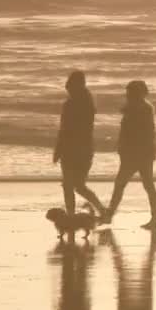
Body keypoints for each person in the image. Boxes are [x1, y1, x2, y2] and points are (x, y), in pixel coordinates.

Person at [105, 79, 156, 230]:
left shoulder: (141, 109)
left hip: (137, 154)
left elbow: (144, 133)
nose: (127, 95)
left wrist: (126, 149)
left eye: (130, 92)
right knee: (145, 185)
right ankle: (154, 218)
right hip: (139, 153)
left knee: (123, 184)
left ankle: (110, 215)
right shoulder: (139, 108)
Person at [53, 70, 108, 220]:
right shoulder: (88, 104)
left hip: (73, 149)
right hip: (85, 148)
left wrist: (58, 149)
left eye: (70, 86)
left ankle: (72, 215)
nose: (68, 88)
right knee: (77, 185)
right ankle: (101, 209)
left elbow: (64, 129)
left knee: (70, 185)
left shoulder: (73, 105)